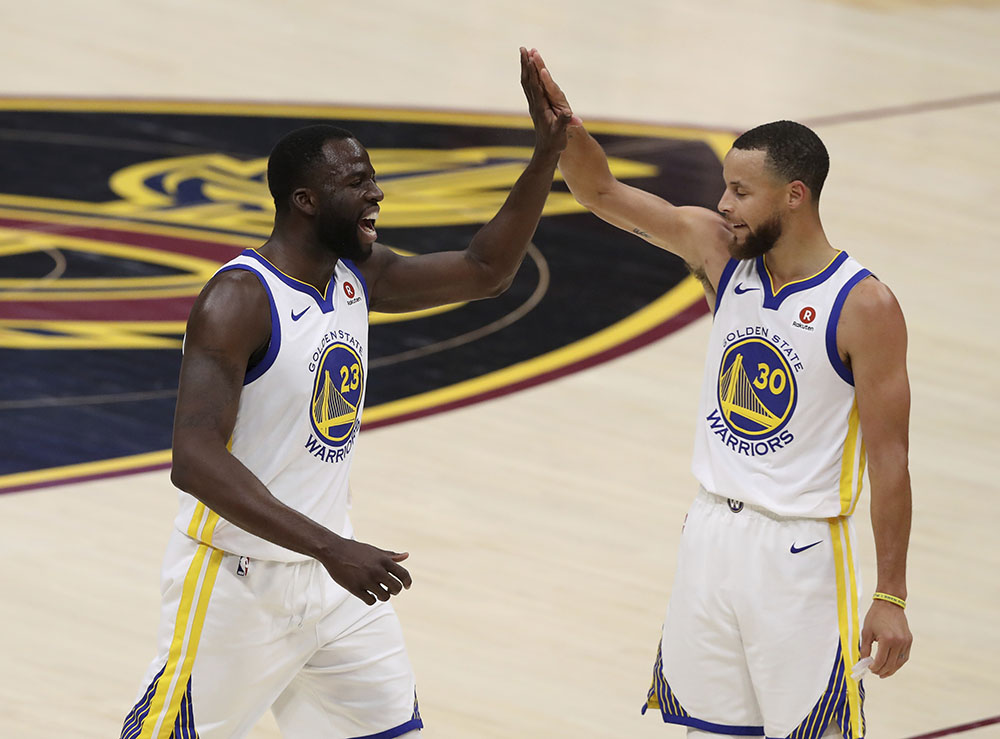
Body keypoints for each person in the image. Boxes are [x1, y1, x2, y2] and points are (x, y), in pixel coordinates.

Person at [120, 48, 572, 739]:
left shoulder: (358, 274)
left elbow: (487, 270)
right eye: (358, 182)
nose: (377, 194)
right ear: (306, 200)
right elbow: (193, 456)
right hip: (238, 585)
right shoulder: (239, 299)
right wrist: (331, 546)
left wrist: (547, 153)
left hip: (334, 586)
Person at [528, 50, 913, 739]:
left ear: (795, 194)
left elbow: (890, 461)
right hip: (709, 536)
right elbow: (603, 194)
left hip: (799, 553)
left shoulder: (864, 305)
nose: (722, 204)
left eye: (741, 191)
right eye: (724, 187)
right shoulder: (718, 253)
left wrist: (890, 593)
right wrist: (565, 129)